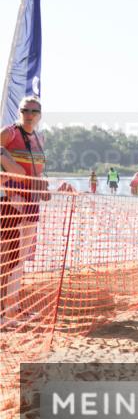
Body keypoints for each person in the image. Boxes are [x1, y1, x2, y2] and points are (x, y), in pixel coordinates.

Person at [1, 96, 49, 313]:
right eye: (25, 110)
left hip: (32, 202)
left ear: (39, 115)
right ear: (19, 112)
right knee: (7, 258)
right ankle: (3, 310)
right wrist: (9, 165)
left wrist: (44, 188)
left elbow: (36, 170)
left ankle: (14, 306)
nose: (29, 115)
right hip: (11, 201)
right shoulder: (9, 133)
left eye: (34, 112)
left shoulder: (39, 138)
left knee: (20, 259)